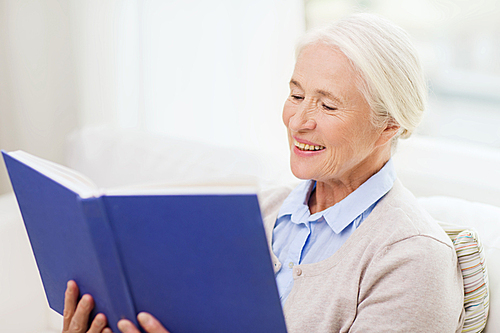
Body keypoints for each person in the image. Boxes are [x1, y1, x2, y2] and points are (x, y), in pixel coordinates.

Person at [62, 13, 465, 333]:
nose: (298, 121)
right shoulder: (251, 213)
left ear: (389, 125)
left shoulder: (413, 258)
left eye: (327, 106)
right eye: (296, 95)